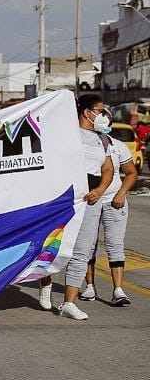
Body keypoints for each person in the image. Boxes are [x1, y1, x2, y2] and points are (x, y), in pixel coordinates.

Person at [39, 94, 116, 319]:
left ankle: (68, 303)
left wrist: (100, 190)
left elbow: (108, 169)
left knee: (82, 250)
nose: (105, 115)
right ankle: (45, 280)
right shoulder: (67, 133)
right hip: (66, 197)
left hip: (92, 198)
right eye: (101, 111)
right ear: (87, 112)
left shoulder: (102, 140)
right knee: (51, 243)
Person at [79, 127, 137, 305]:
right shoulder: (80, 145)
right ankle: (89, 287)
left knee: (115, 244)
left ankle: (118, 290)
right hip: (90, 200)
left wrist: (122, 193)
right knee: (88, 245)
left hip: (114, 200)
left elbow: (131, 173)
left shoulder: (117, 146)